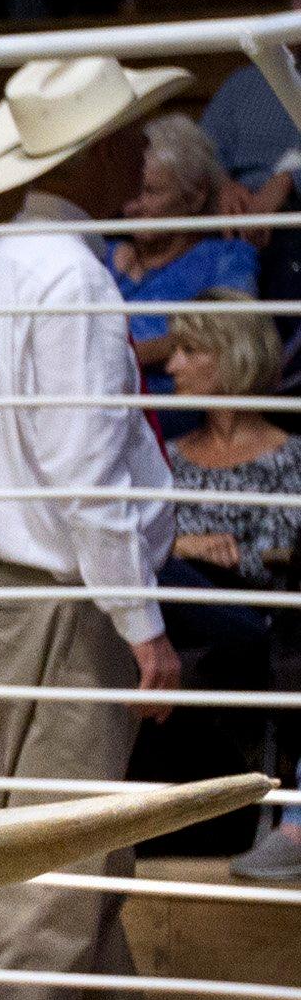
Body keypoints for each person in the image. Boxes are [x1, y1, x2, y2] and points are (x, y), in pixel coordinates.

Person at [0, 53, 194, 1000]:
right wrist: (143, 624)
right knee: (64, 846)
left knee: (75, 835)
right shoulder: (76, 279)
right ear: (91, 154)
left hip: (9, 577)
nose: (142, 149)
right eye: (126, 134)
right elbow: (87, 472)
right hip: (66, 587)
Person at [158, 297, 301, 885]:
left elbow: (282, 549)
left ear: (232, 359)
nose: (172, 368)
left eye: (190, 352)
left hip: (247, 614)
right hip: (171, 602)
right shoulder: (165, 457)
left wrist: (182, 548)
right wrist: (182, 548)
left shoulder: (288, 456)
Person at [109, 114, 257, 393]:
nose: (133, 207)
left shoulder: (225, 258)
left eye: (150, 192)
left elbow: (229, 332)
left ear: (197, 194)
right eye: (130, 191)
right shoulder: (105, 256)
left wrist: (127, 355)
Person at [199, 0, 301, 220]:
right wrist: (224, 186)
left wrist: (290, 182)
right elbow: (202, 151)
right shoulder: (244, 85)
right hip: (235, 226)